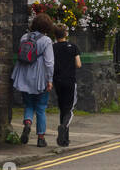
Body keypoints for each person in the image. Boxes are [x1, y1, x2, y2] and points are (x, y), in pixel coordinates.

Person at [11, 13, 56, 147]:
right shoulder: (46, 41)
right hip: (39, 78)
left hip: (23, 75)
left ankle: (28, 123)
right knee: (41, 108)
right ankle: (41, 138)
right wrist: (50, 80)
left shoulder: (24, 37)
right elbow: (49, 63)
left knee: (29, 105)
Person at [52, 24, 82, 147]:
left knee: (62, 108)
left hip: (57, 81)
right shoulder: (73, 47)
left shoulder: (52, 48)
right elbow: (78, 64)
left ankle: (64, 140)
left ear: (55, 35)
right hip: (70, 80)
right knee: (69, 109)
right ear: (66, 34)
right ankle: (63, 127)